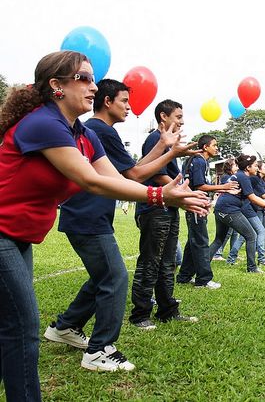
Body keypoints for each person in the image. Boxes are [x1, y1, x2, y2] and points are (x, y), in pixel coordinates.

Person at [0, 51, 208, 401]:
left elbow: (117, 177)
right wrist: (160, 196)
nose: (94, 87)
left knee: (12, 327)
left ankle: (67, 332)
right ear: (57, 86)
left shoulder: (83, 134)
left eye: (94, 79)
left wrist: (161, 190)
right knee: (21, 327)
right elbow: (91, 182)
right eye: (84, 78)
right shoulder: (43, 123)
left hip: (20, 236)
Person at [44, 79, 199, 372]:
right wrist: (170, 154)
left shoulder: (101, 131)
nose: (129, 107)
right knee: (114, 278)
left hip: (88, 216)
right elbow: (135, 177)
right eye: (124, 101)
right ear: (108, 102)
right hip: (87, 217)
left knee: (103, 276)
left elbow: (130, 172)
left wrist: (166, 147)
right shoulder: (99, 131)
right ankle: (100, 350)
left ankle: (66, 325)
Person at [130, 99, 203, 330]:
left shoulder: (171, 143)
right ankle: (140, 314)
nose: (182, 121)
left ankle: (167, 310)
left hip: (168, 208)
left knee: (168, 262)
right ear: (164, 117)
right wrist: (188, 195)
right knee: (150, 261)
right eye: (178, 117)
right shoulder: (156, 139)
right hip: (154, 209)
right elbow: (159, 176)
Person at [176, 135, 238, 288]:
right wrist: (224, 187)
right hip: (195, 205)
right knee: (201, 241)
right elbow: (199, 186)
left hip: (197, 204)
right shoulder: (198, 161)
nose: (217, 148)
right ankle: (203, 280)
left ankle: (184, 276)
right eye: (214, 145)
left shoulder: (199, 161)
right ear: (205, 147)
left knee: (194, 241)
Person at [209, 154, 265, 273]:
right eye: (255, 166)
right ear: (248, 167)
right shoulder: (243, 177)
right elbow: (253, 197)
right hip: (229, 210)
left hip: (221, 208)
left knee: (219, 239)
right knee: (251, 236)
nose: (257, 168)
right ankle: (252, 268)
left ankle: (201, 265)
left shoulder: (240, 175)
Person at [210, 158, 240, 260]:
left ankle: (233, 253)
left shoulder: (232, 176)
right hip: (226, 208)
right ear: (229, 167)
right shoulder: (226, 177)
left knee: (234, 232)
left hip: (233, 208)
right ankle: (217, 253)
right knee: (225, 233)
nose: (237, 167)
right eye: (235, 165)